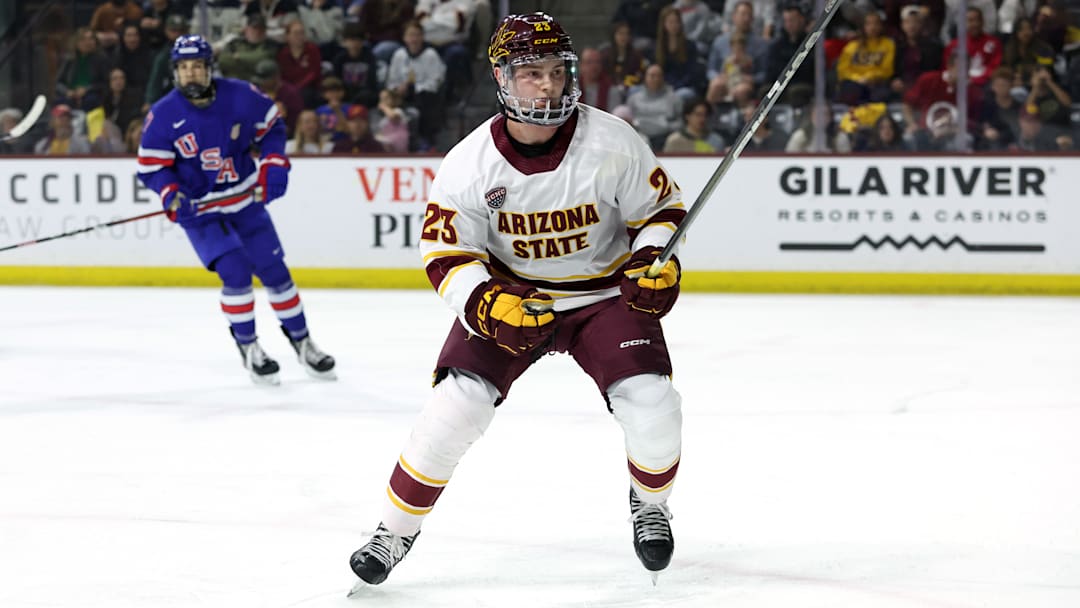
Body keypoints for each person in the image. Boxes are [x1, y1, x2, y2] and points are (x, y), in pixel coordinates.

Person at [348, 12, 686, 588]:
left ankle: (651, 504)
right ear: (502, 78)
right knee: (453, 411)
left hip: (603, 295)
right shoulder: (469, 163)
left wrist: (655, 259)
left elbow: (659, 214)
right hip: (514, 298)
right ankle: (393, 529)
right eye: (532, 73)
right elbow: (446, 252)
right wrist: (483, 304)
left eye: (557, 71)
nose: (549, 85)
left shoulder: (612, 140)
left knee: (654, 405)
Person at [136, 35, 335, 385]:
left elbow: (273, 126)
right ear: (175, 73)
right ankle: (249, 346)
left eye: (197, 66)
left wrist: (274, 162)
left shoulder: (241, 95)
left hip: (245, 201)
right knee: (236, 272)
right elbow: (152, 168)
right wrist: (170, 194)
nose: (191, 74)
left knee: (275, 272)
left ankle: (303, 342)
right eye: (184, 68)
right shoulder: (163, 115)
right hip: (202, 213)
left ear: (210, 67)